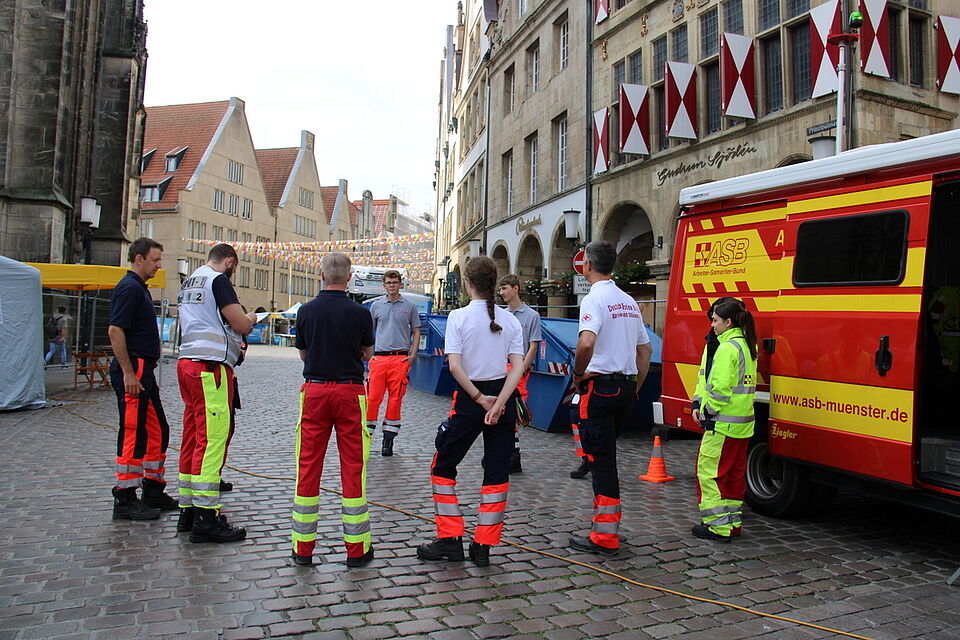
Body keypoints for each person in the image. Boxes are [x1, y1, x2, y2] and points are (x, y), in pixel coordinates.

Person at [416, 256, 525, 567]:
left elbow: (454, 365)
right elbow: (517, 367)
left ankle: (450, 539)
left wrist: (480, 399)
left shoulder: (458, 317)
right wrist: (500, 401)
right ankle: (483, 546)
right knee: (496, 473)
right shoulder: (512, 320)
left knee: (443, 467)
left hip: (469, 400)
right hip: (502, 398)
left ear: (467, 283)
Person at [291, 252, 375, 568]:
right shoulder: (361, 313)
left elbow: (302, 354)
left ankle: (303, 548)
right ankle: (356, 550)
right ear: (349, 277)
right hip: (350, 392)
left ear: (322, 275)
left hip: (313, 391)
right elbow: (367, 353)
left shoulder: (306, 311)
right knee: (353, 466)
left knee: (308, 466)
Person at [568, 240, 652, 555]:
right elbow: (645, 351)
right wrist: (637, 386)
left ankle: (604, 537)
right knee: (606, 457)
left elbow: (586, 343)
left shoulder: (594, 299)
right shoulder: (629, 301)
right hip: (625, 389)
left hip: (600, 389)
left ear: (587, 265)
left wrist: (578, 374)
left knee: (601, 462)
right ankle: (606, 527)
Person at [176, 243, 257, 543]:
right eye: (235, 267)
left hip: (187, 364)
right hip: (210, 369)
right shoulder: (218, 280)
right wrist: (251, 319)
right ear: (229, 262)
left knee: (193, 435)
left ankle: (187, 509)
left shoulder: (190, 281)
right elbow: (239, 323)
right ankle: (206, 518)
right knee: (212, 439)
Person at [107, 237, 177, 520]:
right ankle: (124, 498)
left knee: (158, 430)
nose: (158, 266)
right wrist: (127, 372)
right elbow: (115, 330)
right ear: (138, 258)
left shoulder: (139, 288)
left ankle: (152, 489)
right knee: (134, 432)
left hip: (143, 366)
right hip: (134, 365)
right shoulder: (129, 288)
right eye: (155, 260)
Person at [691, 297, 758, 542]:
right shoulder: (747, 345)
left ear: (728, 322)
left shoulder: (727, 348)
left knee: (709, 474)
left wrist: (707, 413)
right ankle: (732, 523)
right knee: (732, 476)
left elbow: (720, 388)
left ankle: (716, 527)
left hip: (721, 424)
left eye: (716, 320)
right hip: (742, 424)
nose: (713, 325)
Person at [366, 270, 421, 456]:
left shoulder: (410, 306)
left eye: (395, 282)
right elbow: (369, 333)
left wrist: (413, 354)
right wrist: (369, 355)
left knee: (395, 400)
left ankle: (388, 440)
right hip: (379, 359)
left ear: (400, 284)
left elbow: (416, 330)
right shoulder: (376, 306)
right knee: (372, 399)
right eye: (389, 282)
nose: (392, 285)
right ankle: (366, 437)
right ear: (384, 285)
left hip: (400, 359)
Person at [497, 274, 542, 473]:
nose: (501, 293)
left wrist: (522, 366)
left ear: (516, 289)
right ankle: (508, 451)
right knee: (503, 410)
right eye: (500, 289)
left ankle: (512, 454)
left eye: (504, 288)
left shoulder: (531, 315)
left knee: (513, 409)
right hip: (502, 367)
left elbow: (533, 344)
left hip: (518, 369)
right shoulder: (502, 315)